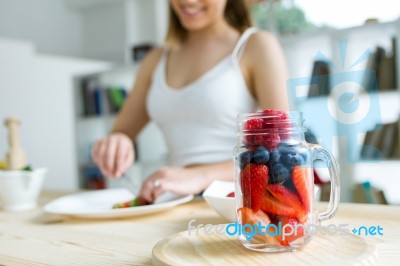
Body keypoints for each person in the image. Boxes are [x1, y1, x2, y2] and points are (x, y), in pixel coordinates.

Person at [92, 0, 289, 204]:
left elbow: (282, 151)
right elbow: (121, 132)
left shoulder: (256, 45)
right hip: (173, 202)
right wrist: (116, 142)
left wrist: (199, 176)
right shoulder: (155, 60)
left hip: (235, 204)